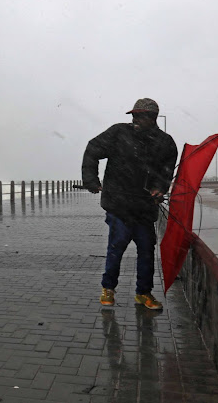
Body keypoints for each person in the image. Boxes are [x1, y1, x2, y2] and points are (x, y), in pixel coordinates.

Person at [82, 98, 178, 310]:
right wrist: (91, 180)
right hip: (119, 205)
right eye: (133, 115)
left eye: (140, 116)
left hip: (144, 208)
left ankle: (143, 293)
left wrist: (159, 189)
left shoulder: (166, 143)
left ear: (152, 118)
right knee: (116, 247)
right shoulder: (118, 133)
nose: (134, 119)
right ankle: (108, 288)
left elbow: (166, 173)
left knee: (146, 251)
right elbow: (92, 149)